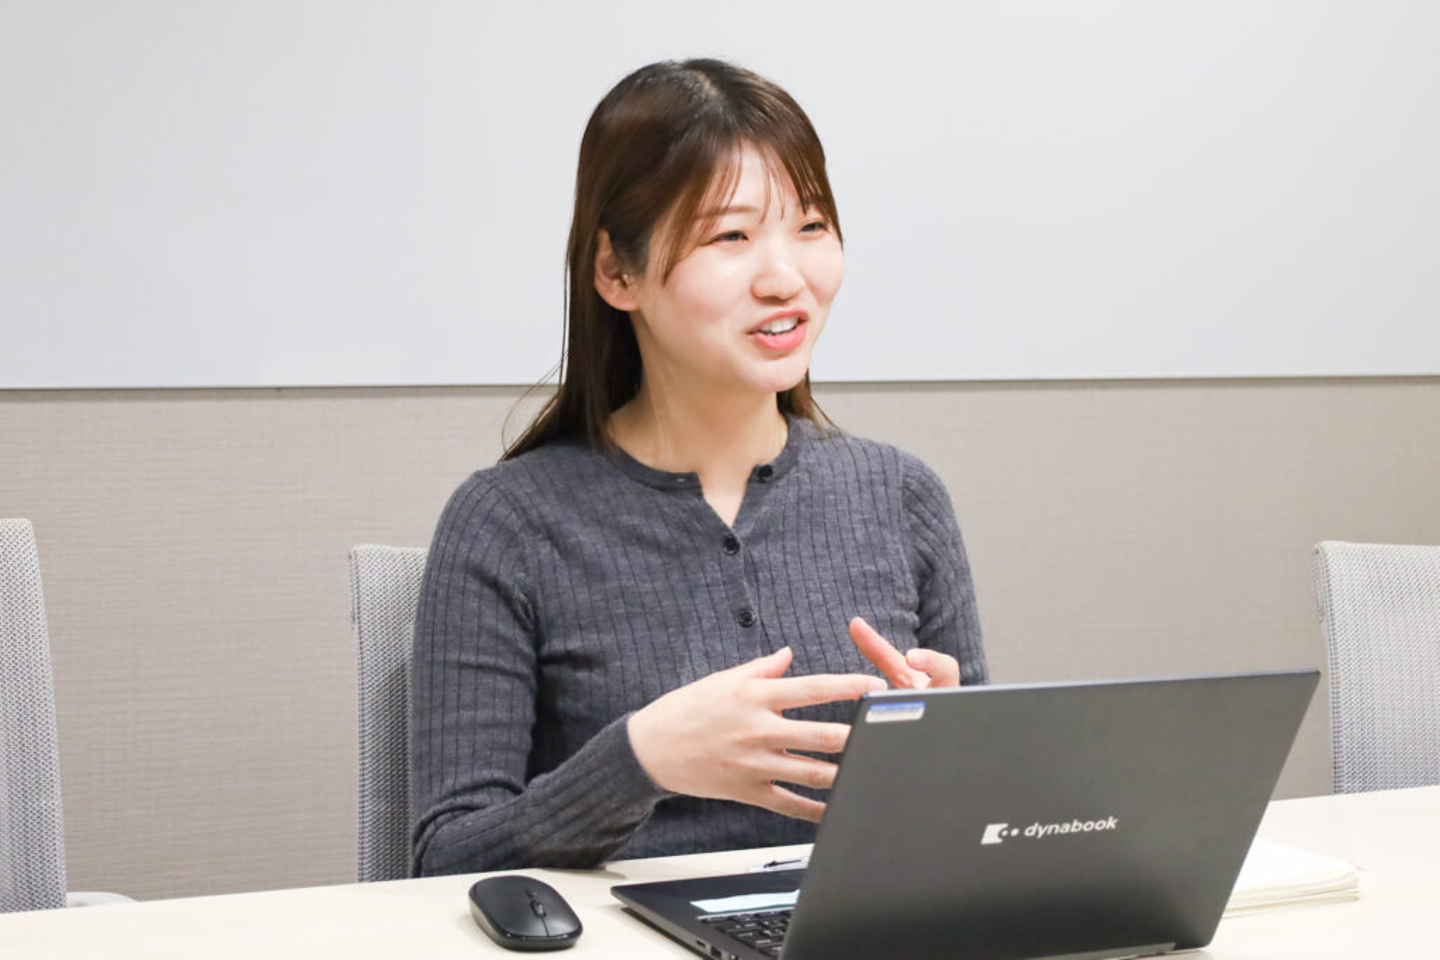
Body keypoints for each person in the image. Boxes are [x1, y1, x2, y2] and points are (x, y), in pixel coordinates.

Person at [411, 58, 987, 876]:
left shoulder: (900, 496)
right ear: (618, 272)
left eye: (811, 226)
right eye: (731, 237)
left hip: (849, 926)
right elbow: (443, 860)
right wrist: (641, 759)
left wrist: (948, 757)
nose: (786, 278)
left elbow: (986, 833)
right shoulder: (507, 523)